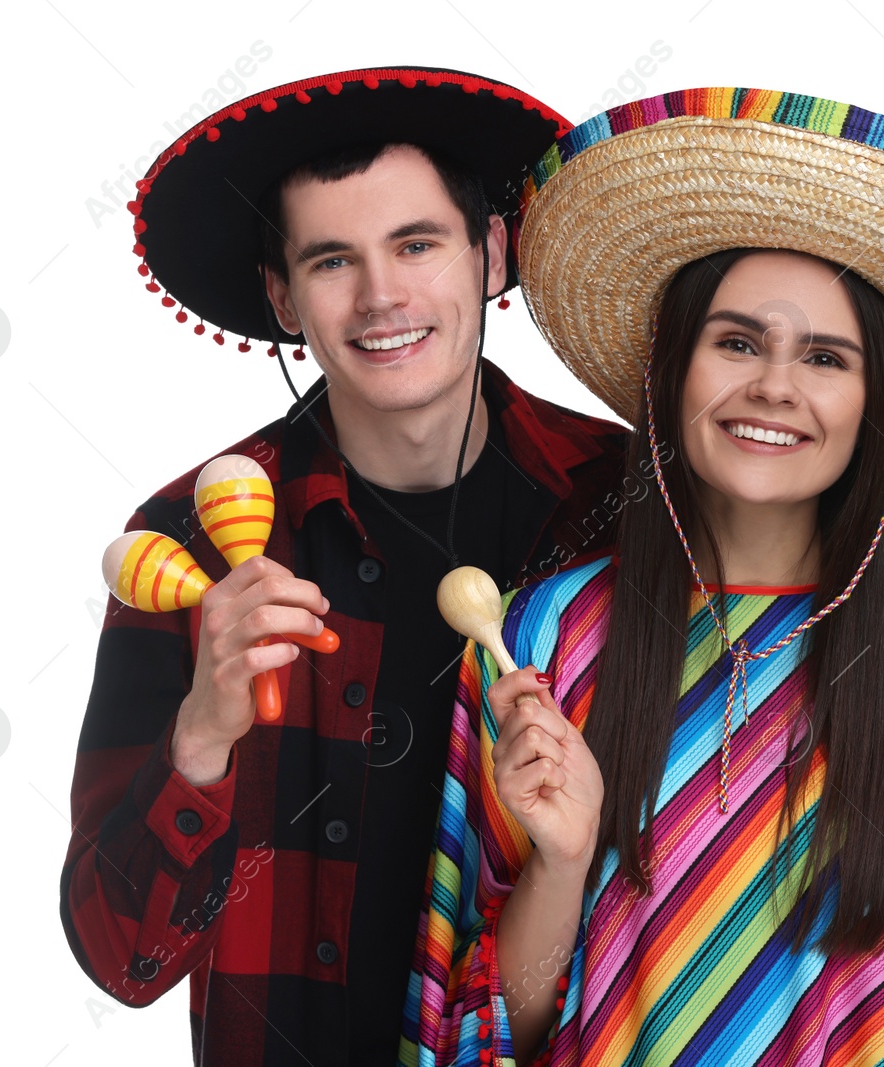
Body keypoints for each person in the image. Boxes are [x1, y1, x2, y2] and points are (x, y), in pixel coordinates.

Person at [403, 88, 884, 1066]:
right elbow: (495, 1030)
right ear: (673, 366)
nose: (774, 386)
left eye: (825, 357)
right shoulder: (543, 637)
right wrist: (563, 860)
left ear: (878, 403)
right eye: (737, 341)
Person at [57, 67, 631, 1066]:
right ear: (282, 297)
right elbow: (124, 963)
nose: (381, 297)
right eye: (332, 261)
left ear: (490, 251)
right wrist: (202, 735)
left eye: (416, 243)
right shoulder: (193, 543)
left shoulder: (621, 507)